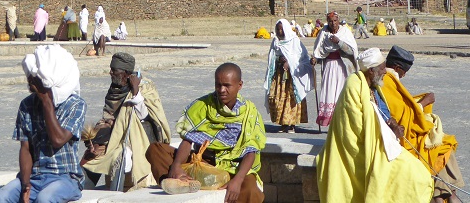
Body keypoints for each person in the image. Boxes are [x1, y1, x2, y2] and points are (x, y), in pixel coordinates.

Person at [316, 48, 434, 203]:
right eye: (383, 68)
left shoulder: (374, 87)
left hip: (382, 143)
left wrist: (392, 124)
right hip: (362, 149)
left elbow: (382, 114)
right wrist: (390, 132)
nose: (385, 71)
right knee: (414, 176)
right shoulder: (354, 85)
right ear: (371, 71)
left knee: (421, 173)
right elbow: (357, 128)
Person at [146, 63, 266, 202]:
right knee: (156, 150)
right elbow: (188, 138)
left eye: (227, 85)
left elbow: (251, 151)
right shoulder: (202, 105)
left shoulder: (250, 113)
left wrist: (238, 180)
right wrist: (177, 165)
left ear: (239, 85)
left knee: (250, 190)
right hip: (202, 162)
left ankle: (182, 180)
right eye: (218, 85)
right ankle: (181, 182)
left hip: (232, 168)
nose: (221, 90)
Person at [0, 45, 86, 203]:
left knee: (45, 199)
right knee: (2, 196)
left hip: (65, 178)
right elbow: (25, 148)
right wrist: (25, 185)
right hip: (35, 177)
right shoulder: (27, 105)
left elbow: (58, 139)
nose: (30, 79)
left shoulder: (75, 105)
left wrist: (46, 101)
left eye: (35, 77)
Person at [384, 46, 464, 202]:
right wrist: (424, 102)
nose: (404, 75)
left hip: (403, 131)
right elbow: (401, 116)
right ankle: (445, 196)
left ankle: (445, 195)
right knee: (441, 147)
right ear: (396, 67)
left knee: (444, 146)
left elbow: (401, 108)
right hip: (402, 137)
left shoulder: (389, 79)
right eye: (403, 72)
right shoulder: (387, 80)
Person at [82, 53, 171, 190]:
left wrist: (135, 92)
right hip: (114, 137)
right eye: (111, 69)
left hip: (138, 138)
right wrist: (95, 141)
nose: (110, 72)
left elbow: (146, 117)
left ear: (126, 73)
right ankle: (82, 191)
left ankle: (116, 194)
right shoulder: (114, 90)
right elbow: (108, 118)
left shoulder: (145, 87)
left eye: (114, 70)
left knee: (121, 156)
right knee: (91, 156)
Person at [310, 12, 358, 127]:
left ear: (338, 21)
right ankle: (330, 121)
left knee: (342, 92)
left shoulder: (345, 32)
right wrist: (315, 60)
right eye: (330, 21)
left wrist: (339, 42)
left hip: (342, 67)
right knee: (329, 91)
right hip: (329, 67)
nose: (333, 23)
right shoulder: (323, 33)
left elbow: (352, 51)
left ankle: (342, 120)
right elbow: (319, 51)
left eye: (335, 21)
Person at [264, 19, 312, 132]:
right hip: (279, 76)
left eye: (281, 29)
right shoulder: (275, 42)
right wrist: (279, 59)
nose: (279, 32)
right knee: (278, 98)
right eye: (277, 29)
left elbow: (303, 58)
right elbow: (271, 57)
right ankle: (283, 123)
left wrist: (290, 62)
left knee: (291, 100)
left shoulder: (294, 41)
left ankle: (291, 124)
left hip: (292, 77)